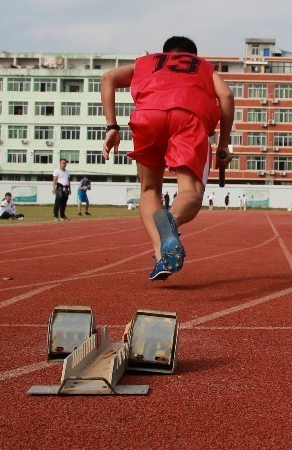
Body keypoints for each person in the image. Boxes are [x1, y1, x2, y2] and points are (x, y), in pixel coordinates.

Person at [101, 35, 235, 280]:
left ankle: (162, 255)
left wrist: (112, 127)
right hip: (188, 117)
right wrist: (223, 144)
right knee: (190, 191)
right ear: (192, 55)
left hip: (148, 115)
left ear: (164, 52)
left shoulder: (146, 62)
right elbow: (226, 96)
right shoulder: (201, 66)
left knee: (149, 189)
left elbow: (108, 77)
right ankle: (171, 220)